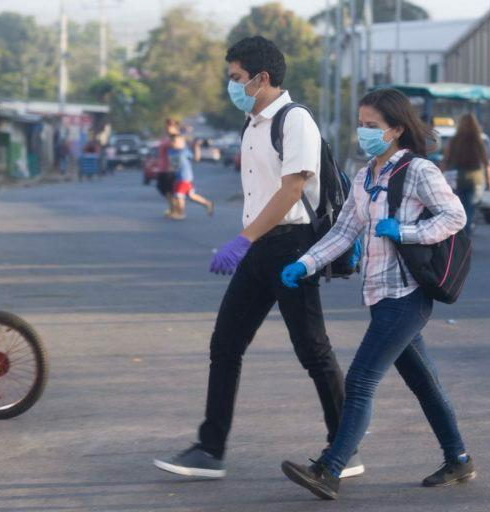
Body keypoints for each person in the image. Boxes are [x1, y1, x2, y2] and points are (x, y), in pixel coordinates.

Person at [153, 36, 362, 479]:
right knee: (225, 344)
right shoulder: (252, 125)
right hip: (260, 246)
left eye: (236, 78)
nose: (232, 86)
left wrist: (242, 239)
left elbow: (292, 188)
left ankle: (344, 447)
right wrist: (247, 239)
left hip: (292, 246)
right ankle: (210, 449)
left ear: (261, 78)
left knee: (312, 349)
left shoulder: (294, 119)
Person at [279, 88, 473, 500]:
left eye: (373, 126)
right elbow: (344, 230)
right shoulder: (366, 175)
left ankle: (330, 469)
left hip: (407, 294)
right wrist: (306, 263)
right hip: (378, 293)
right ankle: (458, 458)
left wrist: (406, 231)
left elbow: (454, 216)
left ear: (397, 129)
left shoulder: (418, 171)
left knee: (362, 379)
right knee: (424, 383)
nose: (363, 132)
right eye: (361, 124)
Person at [442, 113, 490, 235]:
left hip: (457, 178)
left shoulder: (453, 141)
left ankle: (458, 233)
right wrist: (489, 183)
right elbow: (486, 163)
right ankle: (466, 233)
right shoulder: (478, 141)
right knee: (469, 207)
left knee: (458, 206)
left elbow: (446, 160)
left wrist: (440, 177)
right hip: (474, 178)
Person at [167, 134, 214, 220]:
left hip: (184, 177)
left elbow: (196, 159)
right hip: (177, 177)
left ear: (182, 143)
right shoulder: (170, 151)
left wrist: (196, 147)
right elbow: (172, 164)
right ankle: (207, 203)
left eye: (176, 141)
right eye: (172, 141)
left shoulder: (184, 151)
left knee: (179, 195)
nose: (174, 143)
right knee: (191, 196)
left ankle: (181, 213)